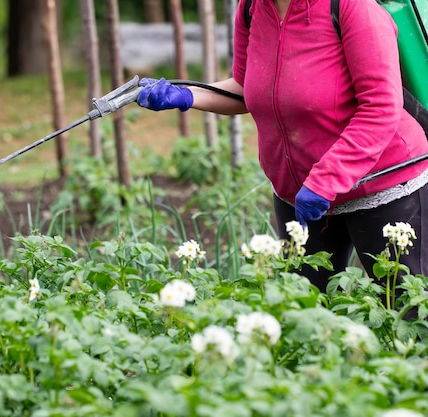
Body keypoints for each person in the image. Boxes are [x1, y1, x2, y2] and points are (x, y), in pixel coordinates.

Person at [136, 0, 428, 293]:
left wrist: (326, 179)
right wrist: (187, 95)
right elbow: (246, 87)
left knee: (405, 312)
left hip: (383, 186)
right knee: (304, 310)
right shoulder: (251, 9)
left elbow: (381, 107)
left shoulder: (352, 7)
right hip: (302, 196)